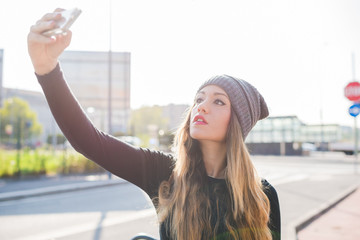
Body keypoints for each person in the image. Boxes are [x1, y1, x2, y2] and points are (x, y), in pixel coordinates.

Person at [28, 9, 281, 240]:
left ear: (238, 124)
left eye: (219, 102)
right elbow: (89, 141)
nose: (201, 106)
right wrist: (47, 69)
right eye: (199, 99)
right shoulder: (165, 175)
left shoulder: (263, 195)